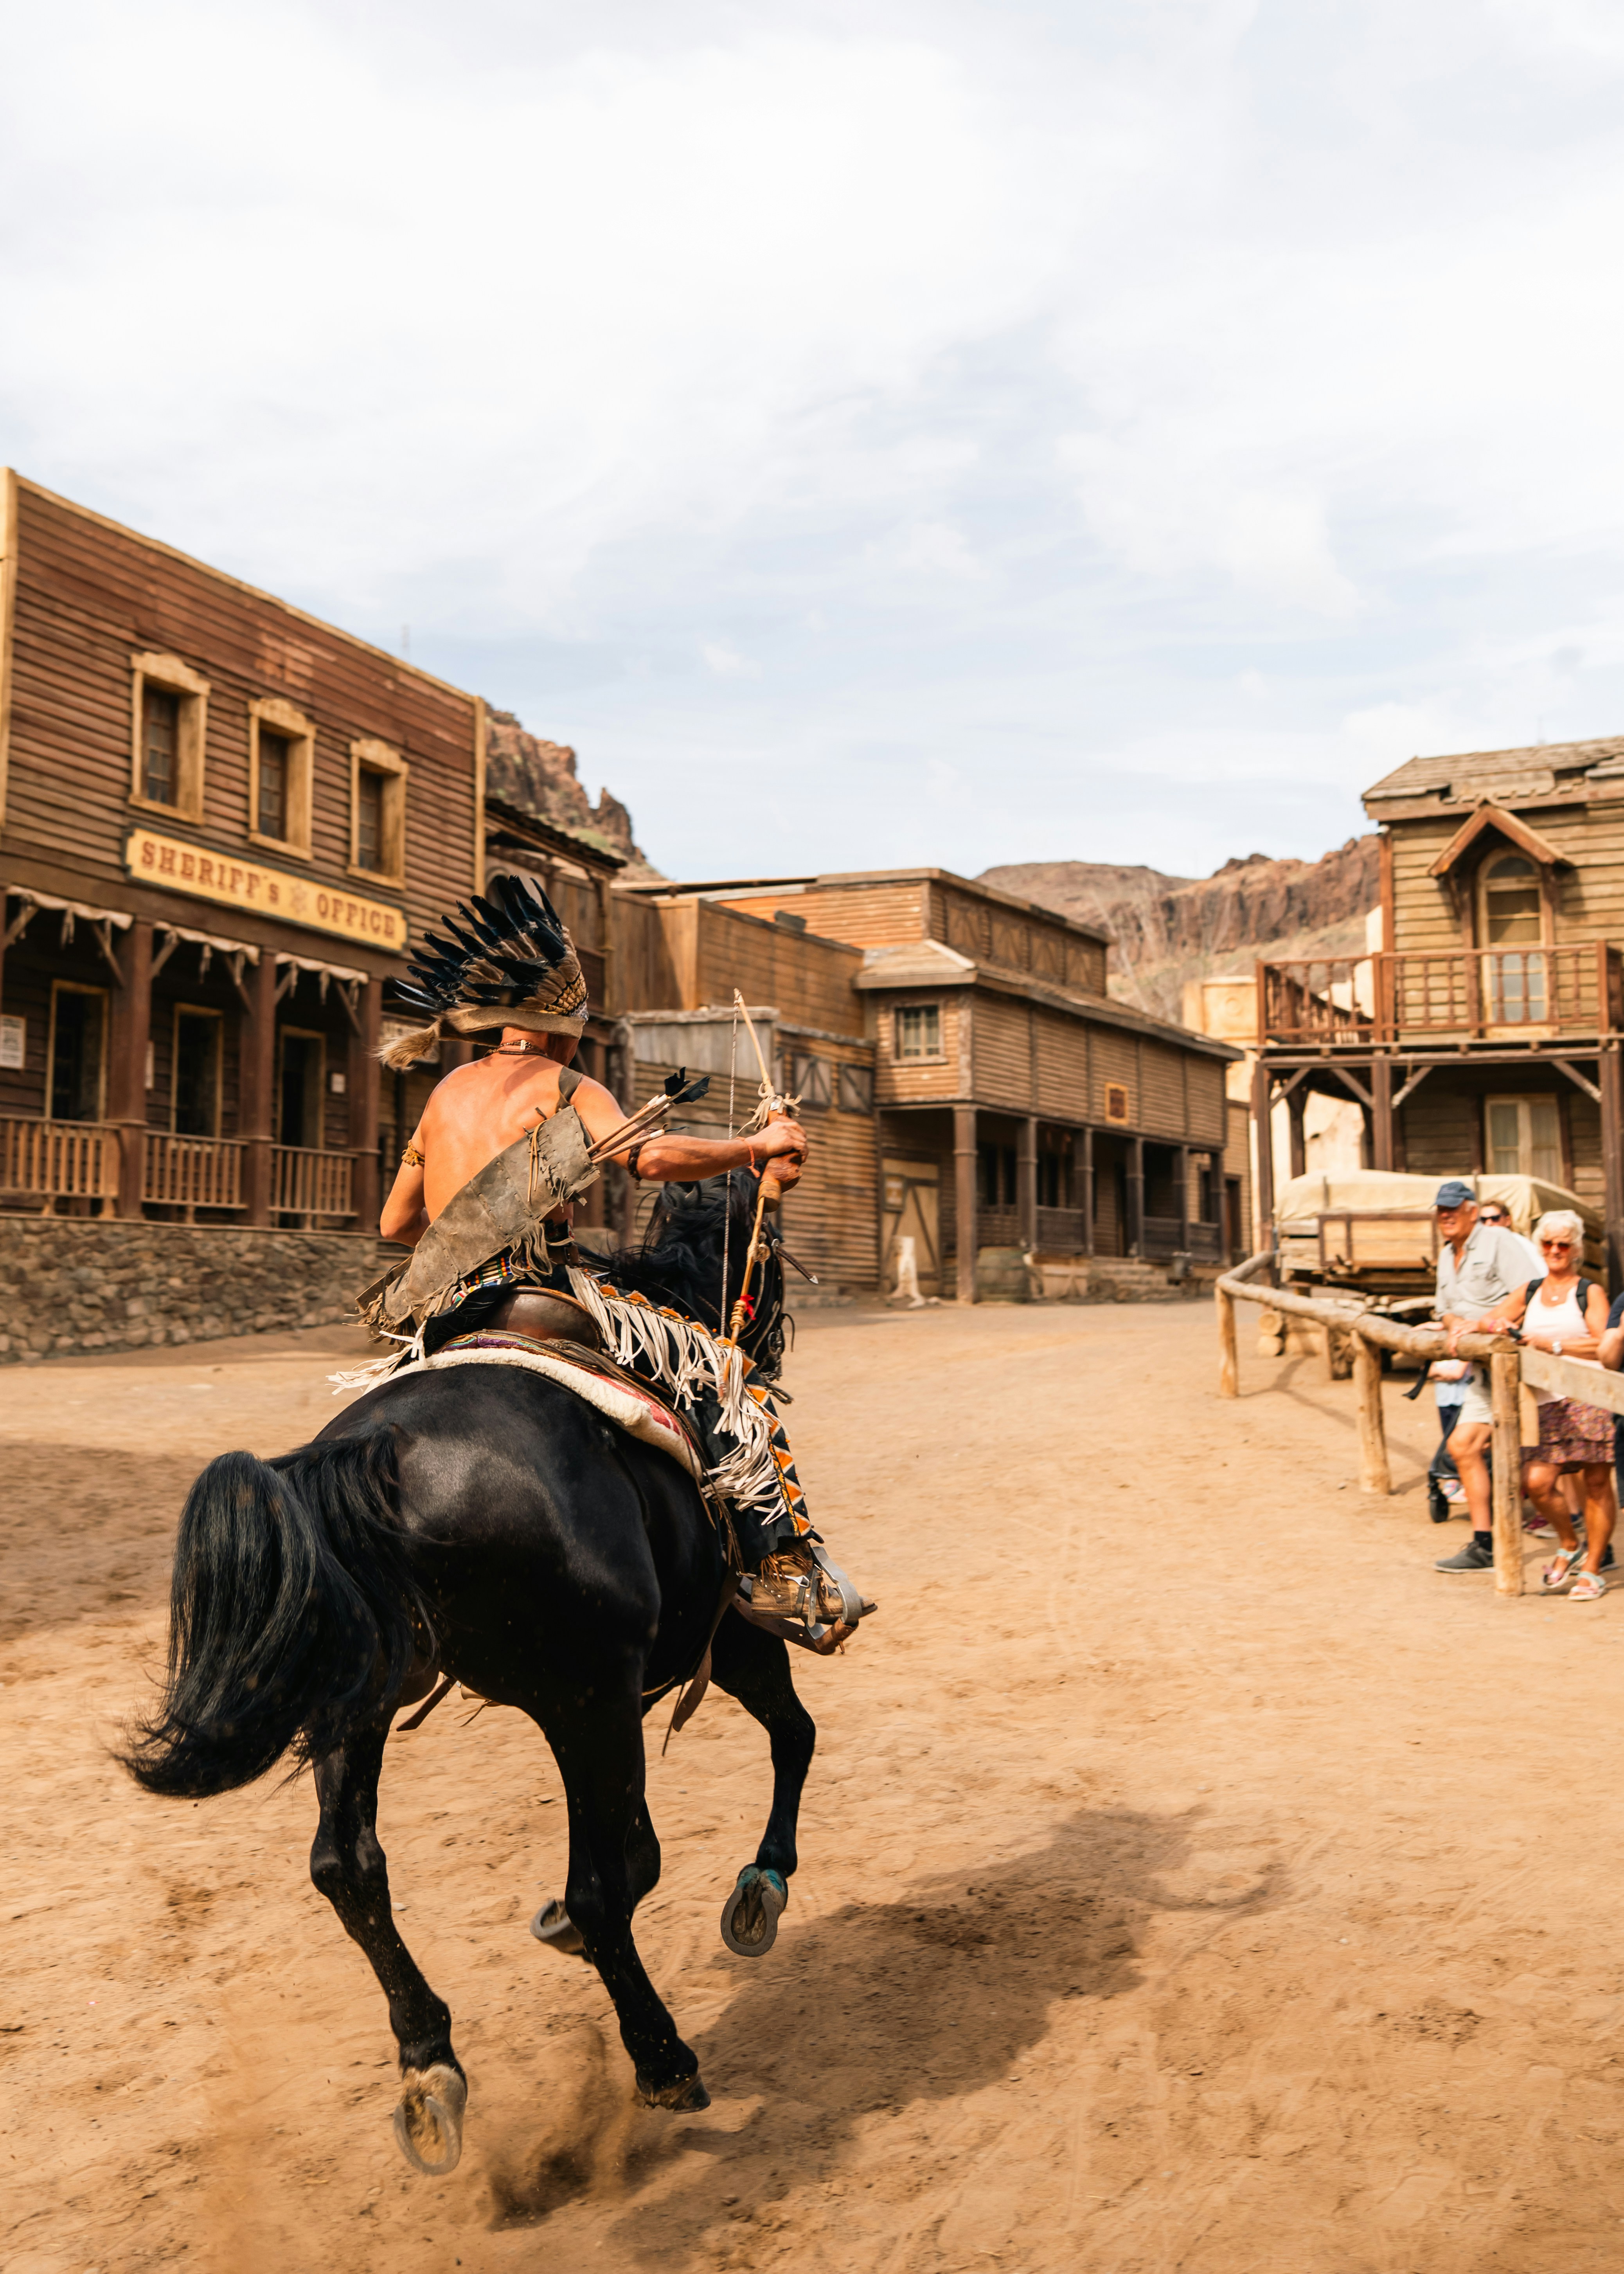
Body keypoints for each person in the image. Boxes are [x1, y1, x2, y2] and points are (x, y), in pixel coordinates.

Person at [369, 872, 870, 1645]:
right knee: (723, 1373)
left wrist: (470, 1233)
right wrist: (755, 1144)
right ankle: (781, 1574)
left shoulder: (444, 1095)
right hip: (537, 1296)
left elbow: (397, 1222)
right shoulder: (569, 1082)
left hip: (444, 1314)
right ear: (560, 1026)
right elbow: (651, 1159)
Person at [1477, 1211, 1615, 1598]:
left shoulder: (1589, 1291)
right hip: (1543, 1403)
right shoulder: (1529, 1290)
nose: (1555, 1250)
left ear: (1575, 1249)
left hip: (1588, 1396)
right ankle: (1569, 1543)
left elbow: (1604, 1344)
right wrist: (1490, 1326)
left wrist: (1552, 1345)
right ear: (1539, 1247)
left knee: (1595, 1482)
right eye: (1548, 1243)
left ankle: (1592, 1569)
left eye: (1563, 1244)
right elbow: (1489, 1320)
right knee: (1536, 1482)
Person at [1430, 1179, 1546, 1574]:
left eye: (1452, 1208)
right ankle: (1485, 1545)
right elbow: (1444, 1310)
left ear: (1471, 1210)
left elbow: (1529, 1290)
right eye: (1440, 1210)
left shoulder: (1497, 1241)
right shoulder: (1446, 1255)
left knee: (1555, 1459)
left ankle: (1588, 1542)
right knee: (1463, 1446)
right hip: (1484, 1369)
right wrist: (1457, 1326)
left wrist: (1482, 1324)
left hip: (1516, 1362)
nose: (1445, 1216)